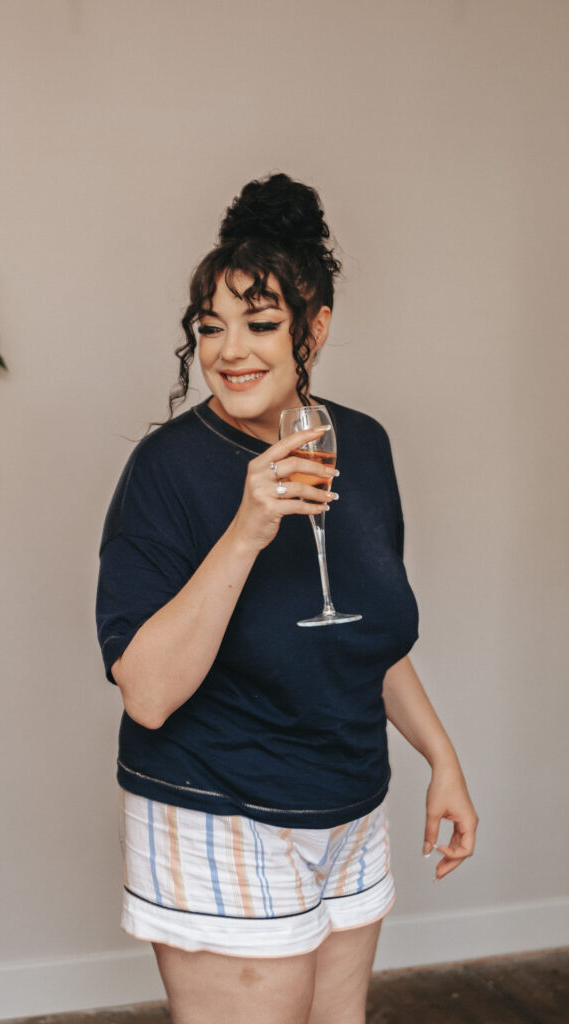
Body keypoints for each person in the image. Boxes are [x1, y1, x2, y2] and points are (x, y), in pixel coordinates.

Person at [95, 173, 478, 1024]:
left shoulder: (363, 447)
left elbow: (364, 639)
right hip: (219, 805)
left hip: (348, 804)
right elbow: (148, 693)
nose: (230, 350)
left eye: (261, 323)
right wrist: (246, 527)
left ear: (315, 327)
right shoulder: (165, 470)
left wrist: (439, 757)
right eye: (211, 327)